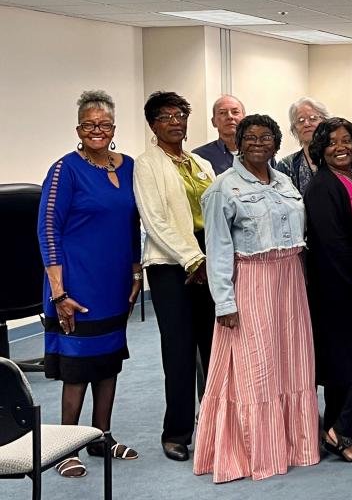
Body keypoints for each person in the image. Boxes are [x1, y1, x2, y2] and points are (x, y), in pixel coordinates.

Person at [193, 114, 320, 482]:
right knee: (256, 369)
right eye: (250, 137)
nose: (258, 143)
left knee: (292, 362)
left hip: (290, 280)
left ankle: (294, 445)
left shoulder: (284, 182)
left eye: (267, 137)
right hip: (251, 281)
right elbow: (217, 250)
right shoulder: (222, 189)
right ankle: (255, 453)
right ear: (238, 142)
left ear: (277, 143)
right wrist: (225, 302)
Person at [38, 90, 141, 479]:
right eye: (88, 124)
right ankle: (67, 447)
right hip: (76, 283)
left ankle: (100, 436)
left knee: (108, 362)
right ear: (78, 129)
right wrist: (58, 293)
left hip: (114, 282)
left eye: (104, 124)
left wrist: (135, 272)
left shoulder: (127, 165)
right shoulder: (65, 169)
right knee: (77, 367)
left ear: (114, 128)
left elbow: (133, 223)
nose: (96, 130)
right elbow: (48, 230)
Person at [133, 91, 216, 462]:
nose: (175, 121)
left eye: (180, 114)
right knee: (180, 352)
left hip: (209, 260)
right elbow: (155, 221)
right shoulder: (146, 165)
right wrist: (190, 259)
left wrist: (210, 259)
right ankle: (177, 432)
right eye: (165, 116)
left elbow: (215, 210)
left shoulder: (200, 163)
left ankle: (217, 427)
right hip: (171, 266)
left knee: (215, 350)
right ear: (153, 124)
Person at [303, 117, 352, 463]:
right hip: (342, 288)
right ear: (320, 149)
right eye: (331, 142)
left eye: (346, 139)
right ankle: (342, 430)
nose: (340, 146)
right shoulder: (322, 186)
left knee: (342, 363)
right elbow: (332, 245)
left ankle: (337, 431)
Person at [277, 96, 331, 193]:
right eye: (300, 120)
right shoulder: (286, 165)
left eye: (313, 118)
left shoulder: (341, 157)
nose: (306, 124)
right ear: (294, 129)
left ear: (325, 122)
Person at [193, 94, 245, 175]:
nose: (230, 117)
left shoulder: (260, 153)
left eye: (235, 112)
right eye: (222, 113)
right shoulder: (199, 156)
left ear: (244, 119)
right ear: (213, 122)